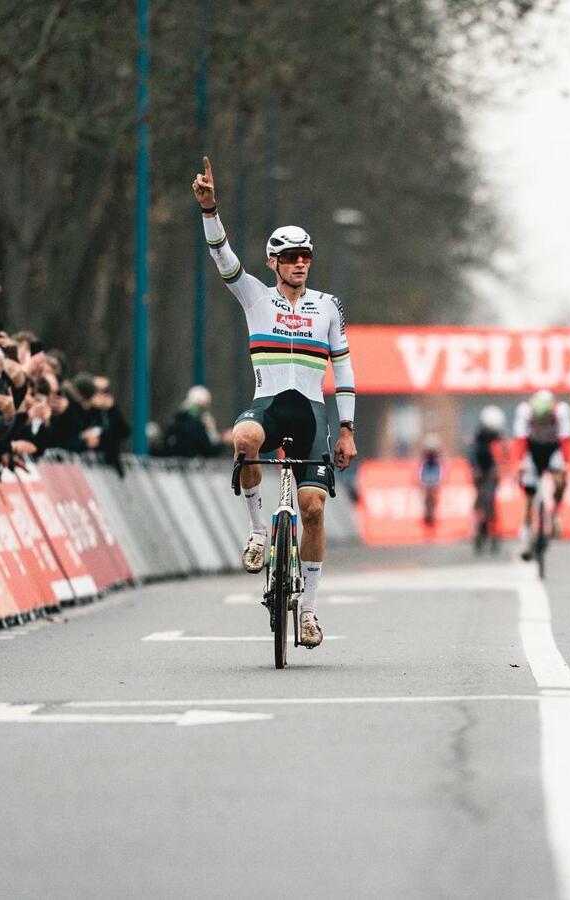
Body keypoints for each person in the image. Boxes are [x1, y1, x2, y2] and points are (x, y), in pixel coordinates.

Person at [193, 155, 356, 649]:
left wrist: (346, 428)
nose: (299, 262)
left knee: (312, 509)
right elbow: (223, 257)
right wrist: (210, 210)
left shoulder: (327, 306)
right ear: (273, 263)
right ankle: (259, 531)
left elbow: (343, 366)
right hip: (268, 404)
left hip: (311, 415)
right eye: (289, 256)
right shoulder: (255, 297)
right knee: (243, 437)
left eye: (305, 254)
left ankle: (307, 612)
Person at [512, 388, 570, 559]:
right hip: (533, 450)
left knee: (560, 479)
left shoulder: (562, 411)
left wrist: (566, 463)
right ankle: (525, 540)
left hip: (553, 449)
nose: (542, 422)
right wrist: (520, 462)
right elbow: (520, 439)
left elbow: (566, 439)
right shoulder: (524, 411)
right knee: (529, 497)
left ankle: (554, 514)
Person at [470, 405, 506, 551]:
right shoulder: (478, 436)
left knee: (490, 499)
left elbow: (502, 453)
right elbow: (472, 454)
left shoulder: (498, 437)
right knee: (480, 499)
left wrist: (500, 468)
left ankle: (493, 530)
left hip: (491, 471)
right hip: (480, 470)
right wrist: (475, 469)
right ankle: (479, 524)